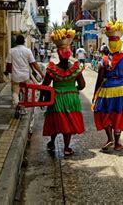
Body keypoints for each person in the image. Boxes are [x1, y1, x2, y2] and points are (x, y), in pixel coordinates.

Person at [93, 20, 123, 151]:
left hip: (107, 90)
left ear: (109, 45)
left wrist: (94, 94)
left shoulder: (103, 60)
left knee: (104, 113)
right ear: (120, 44)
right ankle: (117, 143)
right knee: (119, 115)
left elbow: (99, 79)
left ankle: (109, 138)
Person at [42, 26, 85, 156]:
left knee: (56, 120)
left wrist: (41, 99)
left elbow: (45, 85)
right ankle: (67, 147)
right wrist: (73, 89)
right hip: (72, 97)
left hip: (57, 97)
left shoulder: (52, 69)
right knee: (69, 121)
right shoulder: (76, 69)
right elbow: (82, 85)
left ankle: (52, 142)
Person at [5, 35, 44, 108]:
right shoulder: (28, 51)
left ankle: (16, 104)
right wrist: (41, 74)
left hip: (15, 76)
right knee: (25, 90)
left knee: (15, 92)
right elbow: (34, 63)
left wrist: (7, 72)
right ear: (24, 42)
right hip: (25, 76)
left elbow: (9, 65)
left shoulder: (11, 51)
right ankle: (23, 105)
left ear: (16, 42)